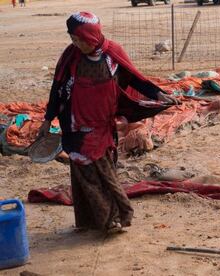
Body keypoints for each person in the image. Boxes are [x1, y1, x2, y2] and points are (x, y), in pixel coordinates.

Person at [38, 12, 179, 234]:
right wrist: (48, 119)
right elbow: (57, 89)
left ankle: (117, 217)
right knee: (84, 174)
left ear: (91, 37)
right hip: (74, 126)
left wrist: (158, 95)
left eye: (79, 40)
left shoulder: (112, 55)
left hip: (102, 127)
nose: (75, 44)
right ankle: (96, 221)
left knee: (104, 172)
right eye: (72, 39)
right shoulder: (70, 57)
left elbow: (134, 78)